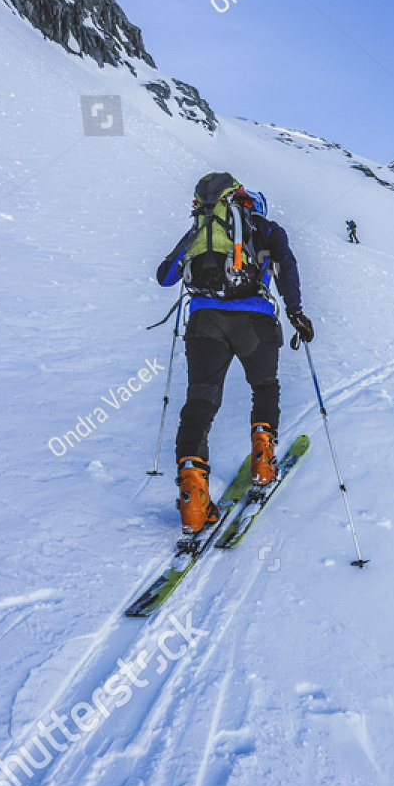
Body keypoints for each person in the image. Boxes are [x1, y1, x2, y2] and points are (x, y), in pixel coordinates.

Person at [156, 172, 314, 536]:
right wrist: (295, 312)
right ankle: (263, 461)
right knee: (264, 386)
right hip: (256, 321)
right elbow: (286, 265)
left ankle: (194, 500)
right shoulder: (267, 229)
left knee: (201, 399)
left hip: (205, 321)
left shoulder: (201, 230)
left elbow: (165, 277)